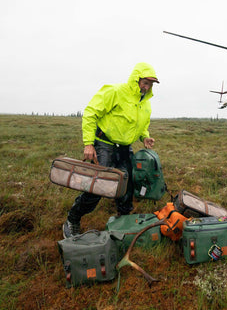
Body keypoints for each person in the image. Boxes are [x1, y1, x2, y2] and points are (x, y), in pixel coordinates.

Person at [63, 62, 159, 238]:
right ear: (135, 79)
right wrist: (88, 143)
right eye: (145, 82)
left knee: (127, 183)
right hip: (103, 143)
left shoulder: (145, 104)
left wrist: (144, 137)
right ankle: (73, 218)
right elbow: (91, 112)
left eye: (151, 84)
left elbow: (142, 125)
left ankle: (123, 220)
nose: (147, 87)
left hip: (124, 147)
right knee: (99, 185)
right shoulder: (115, 91)